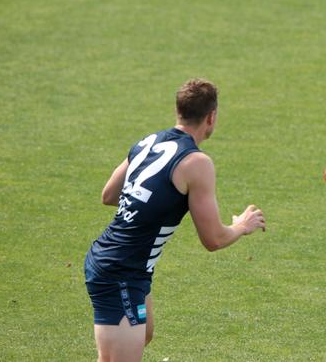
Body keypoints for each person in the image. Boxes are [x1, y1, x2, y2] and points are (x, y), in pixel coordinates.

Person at [84, 78, 266, 362]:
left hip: (126, 265)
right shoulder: (196, 163)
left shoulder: (149, 142)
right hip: (120, 271)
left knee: (143, 334)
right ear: (211, 117)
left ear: (178, 111)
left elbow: (109, 194)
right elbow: (213, 240)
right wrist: (242, 226)